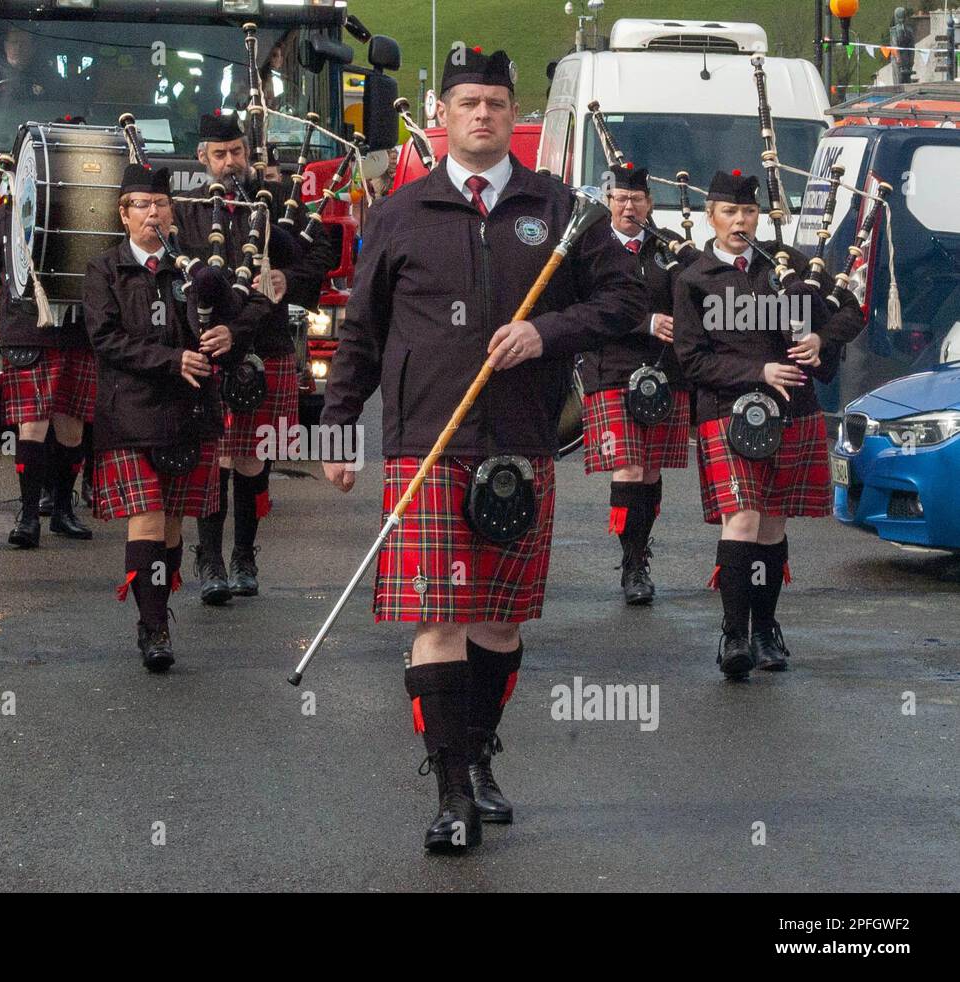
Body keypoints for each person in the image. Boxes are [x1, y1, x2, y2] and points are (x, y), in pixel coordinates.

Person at [320, 47, 644, 853]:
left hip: (521, 443)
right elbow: (359, 330)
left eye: (496, 102)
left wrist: (547, 331)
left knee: (498, 626)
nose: (482, 115)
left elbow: (626, 298)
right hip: (426, 442)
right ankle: (453, 789)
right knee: (437, 618)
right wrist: (335, 423)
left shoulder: (561, 208)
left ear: (511, 114)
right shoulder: (400, 215)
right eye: (467, 102)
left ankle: (479, 748)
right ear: (444, 113)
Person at [673, 169, 866, 680]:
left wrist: (822, 341)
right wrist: (756, 370)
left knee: (772, 524)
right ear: (711, 216)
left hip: (792, 412)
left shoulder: (788, 265)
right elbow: (690, 360)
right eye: (730, 212)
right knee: (744, 520)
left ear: (759, 216)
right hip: (729, 414)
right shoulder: (694, 280)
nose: (741, 221)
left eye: (749, 212)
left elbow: (851, 310)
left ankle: (765, 630)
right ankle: (734, 634)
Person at [83, 164, 268, 670]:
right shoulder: (104, 270)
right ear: (123, 215)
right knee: (144, 521)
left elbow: (250, 305)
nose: (153, 213)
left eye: (161, 204)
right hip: (130, 415)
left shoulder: (194, 270)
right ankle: (154, 627)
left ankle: (158, 611)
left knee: (168, 529)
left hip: (189, 414)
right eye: (142, 205)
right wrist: (172, 360)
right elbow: (105, 339)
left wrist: (230, 335)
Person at [173, 111, 337, 604]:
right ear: (202, 159)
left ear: (248, 153)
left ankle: (244, 556)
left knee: (252, 458)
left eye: (237, 152)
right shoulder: (187, 211)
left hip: (265, 345)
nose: (230, 162)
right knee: (212, 458)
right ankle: (208, 559)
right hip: (208, 351)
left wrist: (293, 280)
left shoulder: (274, 203)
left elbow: (322, 246)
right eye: (220, 155)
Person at [579, 164, 699, 604]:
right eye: (620, 199)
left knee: (650, 470)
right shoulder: (590, 248)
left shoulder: (669, 248)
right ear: (608, 202)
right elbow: (588, 309)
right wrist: (646, 321)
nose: (629, 206)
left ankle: (639, 556)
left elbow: (700, 292)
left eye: (637, 199)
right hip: (612, 369)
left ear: (649, 203)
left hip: (665, 373)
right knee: (629, 468)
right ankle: (632, 567)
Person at [0, 186, 97, 547]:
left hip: (77, 331)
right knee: (32, 427)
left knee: (72, 430)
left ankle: (62, 511)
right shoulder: (6, 217)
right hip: (27, 330)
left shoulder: (94, 210)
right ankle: (27, 515)